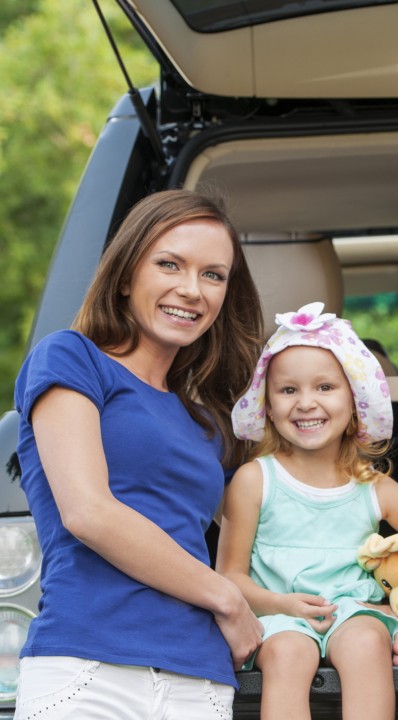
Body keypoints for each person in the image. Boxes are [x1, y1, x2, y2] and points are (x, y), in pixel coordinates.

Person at [13, 189, 266, 718]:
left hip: (201, 678)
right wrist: (225, 597)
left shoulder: (211, 422)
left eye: (213, 275)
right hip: (88, 666)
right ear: (126, 275)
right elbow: (89, 512)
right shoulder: (71, 357)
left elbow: (268, 537)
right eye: (169, 264)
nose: (191, 290)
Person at [219, 301, 398, 720]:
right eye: (288, 390)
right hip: (278, 615)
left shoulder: (375, 489)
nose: (305, 403)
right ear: (268, 404)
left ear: (355, 401)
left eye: (324, 388)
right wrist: (282, 606)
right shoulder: (254, 480)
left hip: (355, 612)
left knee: (366, 642)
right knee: (287, 653)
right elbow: (229, 576)